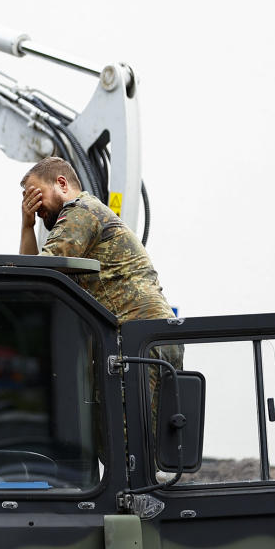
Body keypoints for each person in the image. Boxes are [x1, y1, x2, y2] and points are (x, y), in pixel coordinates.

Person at [19, 156, 182, 384]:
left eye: (35, 195)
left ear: (62, 184)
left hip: (138, 338)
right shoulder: (87, 215)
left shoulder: (81, 211)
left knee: (128, 419)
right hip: (143, 337)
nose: (33, 207)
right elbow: (35, 285)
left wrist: (27, 226)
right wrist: (27, 226)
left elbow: (37, 273)